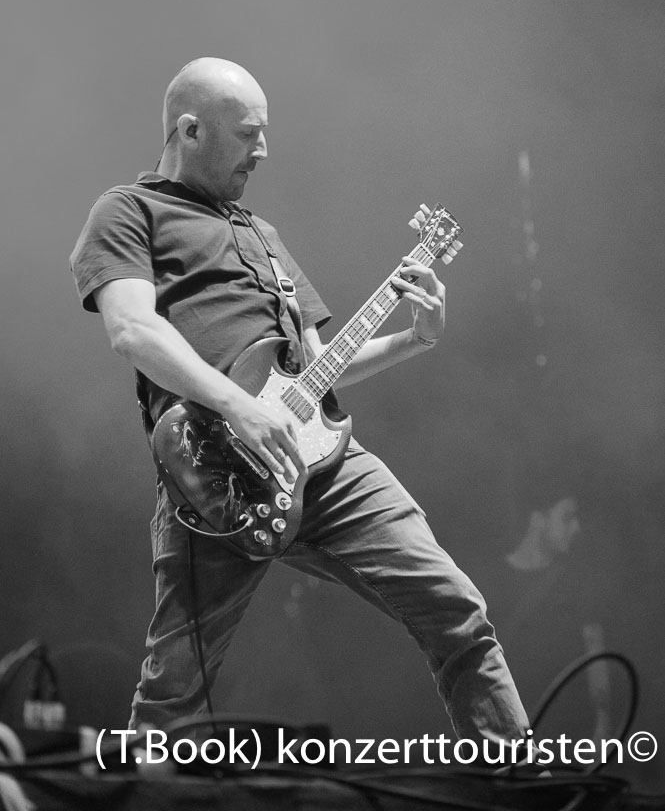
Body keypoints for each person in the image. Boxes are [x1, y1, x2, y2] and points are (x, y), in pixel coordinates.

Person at [70, 58, 531, 761]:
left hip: (325, 463)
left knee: (455, 607)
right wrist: (238, 407)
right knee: (175, 690)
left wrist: (414, 338)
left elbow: (316, 370)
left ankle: (519, 776)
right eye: (247, 133)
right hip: (213, 470)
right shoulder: (129, 211)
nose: (263, 150)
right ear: (189, 130)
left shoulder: (263, 234)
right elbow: (132, 329)